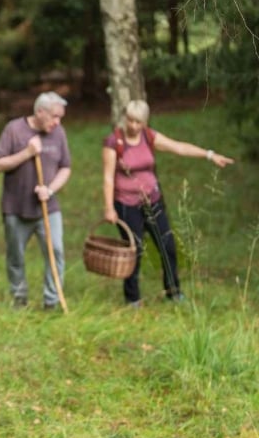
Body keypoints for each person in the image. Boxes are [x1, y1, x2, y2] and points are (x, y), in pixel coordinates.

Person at [100, 99, 233, 306]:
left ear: (145, 122)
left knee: (168, 245)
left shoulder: (149, 137)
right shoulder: (114, 142)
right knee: (135, 250)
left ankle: (173, 291)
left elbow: (179, 148)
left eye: (138, 122)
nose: (133, 126)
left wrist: (209, 155)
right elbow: (108, 177)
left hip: (153, 201)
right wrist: (109, 208)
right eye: (130, 120)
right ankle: (132, 298)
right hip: (126, 204)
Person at [0, 91, 71, 308]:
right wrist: (27, 152)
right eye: (54, 117)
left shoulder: (59, 133)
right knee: (15, 256)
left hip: (48, 207)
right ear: (40, 112)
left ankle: (52, 301)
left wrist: (50, 190)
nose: (58, 122)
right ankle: (19, 300)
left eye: (60, 117)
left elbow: (65, 167)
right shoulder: (14, 130)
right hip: (16, 208)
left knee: (56, 251)